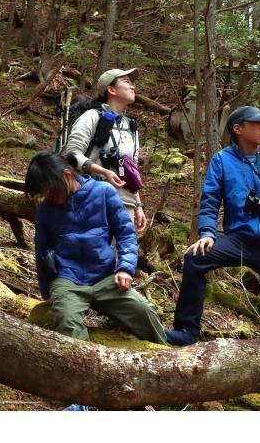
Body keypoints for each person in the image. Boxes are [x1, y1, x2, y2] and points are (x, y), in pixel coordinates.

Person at [165, 106, 260, 347]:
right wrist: (207, 233)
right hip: (239, 239)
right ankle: (186, 331)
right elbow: (210, 201)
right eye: (256, 123)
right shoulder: (222, 160)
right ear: (238, 129)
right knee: (195, 258)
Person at [25, 151, 167, 409]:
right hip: (67, 278)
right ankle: (84, 398)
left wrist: (125, 268)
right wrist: (48, 291)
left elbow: (125, 234)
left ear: (67, 176)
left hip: (104, 275)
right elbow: (41, 250)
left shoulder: (104, 193)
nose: (47, 197)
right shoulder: (46, 210)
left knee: (143, 311)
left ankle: (168, 363)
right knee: (68, 322)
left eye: (49, 190)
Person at [62, 68, 148, 231]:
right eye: (126, 82)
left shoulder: (131, 126)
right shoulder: (91, 117)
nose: (133, 87)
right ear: (111, 89)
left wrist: (138, 205)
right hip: (93, 198)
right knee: (93, 253)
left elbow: (132, 169)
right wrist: (104, 172)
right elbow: (72, 154)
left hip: (125, 204)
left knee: (120, 255)